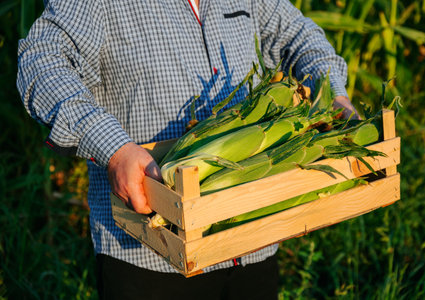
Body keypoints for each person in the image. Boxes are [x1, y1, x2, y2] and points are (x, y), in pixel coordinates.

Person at [17, 0, 359, 299]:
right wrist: (114, 149)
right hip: (151, 253)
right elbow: (42, 62)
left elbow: (299, 35)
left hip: (253, 239)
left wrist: (333, 93)